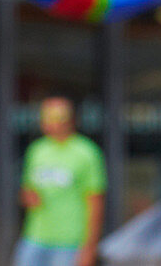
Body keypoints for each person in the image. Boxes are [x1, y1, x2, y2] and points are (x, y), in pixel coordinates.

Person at [15, 98, 105, 266]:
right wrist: (28, 197)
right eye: (48, 117)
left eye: (58, 118)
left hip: (70, 241)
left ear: (71, 119)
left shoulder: (86, 152)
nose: (52, 123)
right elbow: (26, 191)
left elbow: (96, 202)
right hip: (35, 237)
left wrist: (90, 248)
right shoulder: (37, 150)